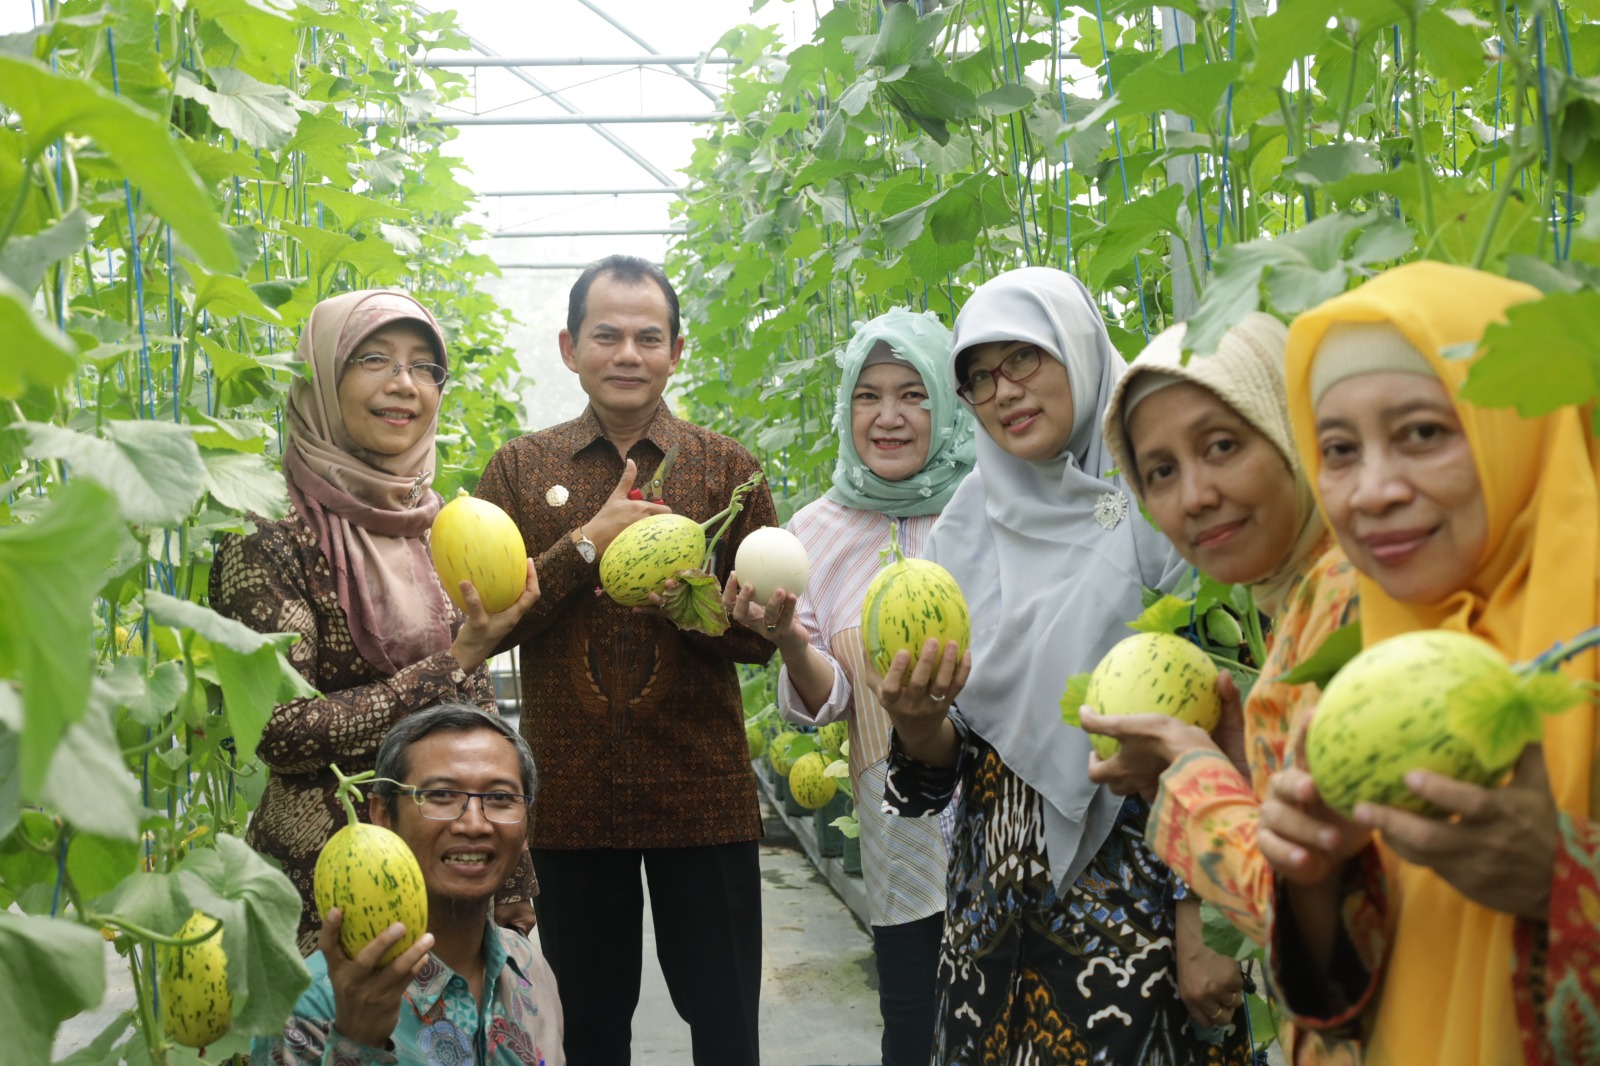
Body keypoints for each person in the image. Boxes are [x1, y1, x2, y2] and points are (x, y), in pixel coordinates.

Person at [877, 266, 1254, 1064]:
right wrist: (916, 723)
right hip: (990, 917)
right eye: (980, 376)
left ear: (1077, 349)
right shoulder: (965, 526)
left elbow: (1226, 724)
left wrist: (1206, 917)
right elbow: (945, 768)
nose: (1005, 391)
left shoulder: (1164, 498)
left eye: (1024, 357)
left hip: (1139, 908)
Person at [1259, 261, 1599, 1065]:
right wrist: (1319, 881)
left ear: (1517, 431)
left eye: (1422, 433)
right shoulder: (1369, 653)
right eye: (1339, 449)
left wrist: (1564, 880)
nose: (1372, 491)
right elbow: (1351, 1008)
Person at [473, 255, 777, 1066]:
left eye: (648, 338)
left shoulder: (729, 471)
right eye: (606, 335)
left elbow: (761, 641)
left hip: (702, 795)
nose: (628, 355)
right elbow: (486, 628)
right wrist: (585, 545)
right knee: (588, 1033)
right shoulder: (518, 470)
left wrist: (692, 611)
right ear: (570, 347)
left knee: (726, 1026)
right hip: (571, 804)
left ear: (677, 351)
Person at [211, 290, 540, 954]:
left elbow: (474, 714)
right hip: (325, 884)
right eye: (374, 359)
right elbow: (276, 731)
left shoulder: (440, 528)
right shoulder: (268, 537)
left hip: (452, 870)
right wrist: (453, 661)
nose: (404, 385)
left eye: (424, 367)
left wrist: (513, 877)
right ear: (322, 379)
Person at [1084, 312, 1363, 1063]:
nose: (1195, 495)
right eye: (1160, 471)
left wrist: (1199, 792)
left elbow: (1336, 931)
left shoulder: (1353, 605)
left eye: (1222, 445)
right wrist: (1244, 776)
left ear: (1292, 424)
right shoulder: (1304, 603)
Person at [727, 307, 975, 1066]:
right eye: (868, 395)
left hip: (1012, 829)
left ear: (948, 401)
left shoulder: (991, 508)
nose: (888, 416)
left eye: (913, 394)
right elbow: (831, 697)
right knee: (914, 1029)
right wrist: (788, 640)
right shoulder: (816, 529)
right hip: (903, 840)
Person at [252, 703, 565, 1065]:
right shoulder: (307, 1006)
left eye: (500, 798)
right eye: (441, 795)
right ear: (383, 815)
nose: (474, 824)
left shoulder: (529, 965)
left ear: (527, 827)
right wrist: (356, 1042)